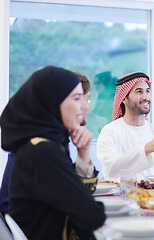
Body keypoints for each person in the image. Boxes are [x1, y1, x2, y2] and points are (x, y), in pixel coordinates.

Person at [0, 66, 106, 239]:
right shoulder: (41, 152)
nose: (84, 106)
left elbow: (83, 198)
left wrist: (83, 154)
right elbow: (92, 216)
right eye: (77, 98)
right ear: (53, 101)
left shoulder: (48, 143)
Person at [97, 72, 154, 181]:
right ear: (124, 98)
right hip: (121, 197)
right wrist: (146, 149)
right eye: (139, 92)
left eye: (147, 91)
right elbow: (111, 170)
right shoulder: (110, 131)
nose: (146, 97)